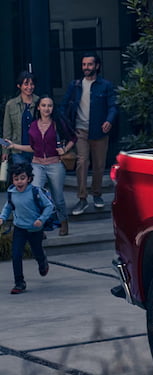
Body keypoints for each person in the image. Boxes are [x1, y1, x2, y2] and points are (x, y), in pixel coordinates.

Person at [6, 95, 75, 236]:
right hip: (37, 164)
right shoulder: (33, 125)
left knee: (58, 197)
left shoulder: (58, 123)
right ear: (38, 107)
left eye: (49, 105)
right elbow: (33, 147)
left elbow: (73, 137)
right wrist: (14, 146)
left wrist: (65, 149)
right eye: (43, 105)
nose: (46, 108)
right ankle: (39, 226)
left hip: (54, 163)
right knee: (35, 196)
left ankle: (63, 222)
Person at [62, 53, 117, 215]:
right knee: (82, 162)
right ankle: (82, 198)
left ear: (97, 66)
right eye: (84, 64)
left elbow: (113, 106)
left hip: (99, 131)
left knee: (99, 165)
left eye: (89, 64)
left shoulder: (105, 85)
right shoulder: (75, 85)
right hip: (80, 131)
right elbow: (63, 106)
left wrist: (109, 120)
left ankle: (97, 194)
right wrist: (65, 126)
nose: (86, 67)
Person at [0, 162, 52, 294]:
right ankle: (19, 282)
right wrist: (2, 217)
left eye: (22, 178)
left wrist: (41, 219)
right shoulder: (12, 193)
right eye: (16, 179)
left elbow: (49, 206)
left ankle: (42, 262)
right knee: (16, 255)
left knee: (37, 251)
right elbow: (8, 207)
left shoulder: (35, 192)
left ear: (29, 178)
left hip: (35, 229)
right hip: (19, 229)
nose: (19, 182)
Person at [2, 71, 39, 172]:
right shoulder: (11, 104)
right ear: (19, 85)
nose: (29, 87)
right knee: (21, 177)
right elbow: (7, 130)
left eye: (32, 84)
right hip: (18, 150)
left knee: (36, 180)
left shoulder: (39, 102)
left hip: (36, 150)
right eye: (26, 84)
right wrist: (5, 151)